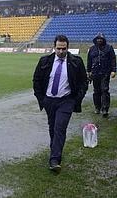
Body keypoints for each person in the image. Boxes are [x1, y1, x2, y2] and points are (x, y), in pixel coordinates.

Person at [33, 35, 88, 173]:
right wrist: (42, 99)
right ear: (54, 47)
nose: (61, 51)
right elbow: (36, 80)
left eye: (64, 49)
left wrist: (77, 99)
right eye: (58, 48)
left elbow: (83, 82)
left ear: (67, 47)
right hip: (49, 101)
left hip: (66, 100)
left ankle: (55, 159)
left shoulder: (76, 62)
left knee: (59, 128)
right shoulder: (45, 61)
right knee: (53, 128)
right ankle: (55, 151)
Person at [86, 33, 117, 117]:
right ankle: (97, 107)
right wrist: (88, 71)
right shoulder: (92, 49)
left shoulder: (109, 48)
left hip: (105, 72)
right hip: (95, 73)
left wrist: (113, 70)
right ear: (95, 39)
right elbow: (89, 60)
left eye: (101, 39)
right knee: (96, 91)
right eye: (98, 39)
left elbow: (113, 59)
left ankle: (105, 109)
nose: (99, 40)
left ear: (103, 39)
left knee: (104, 90)